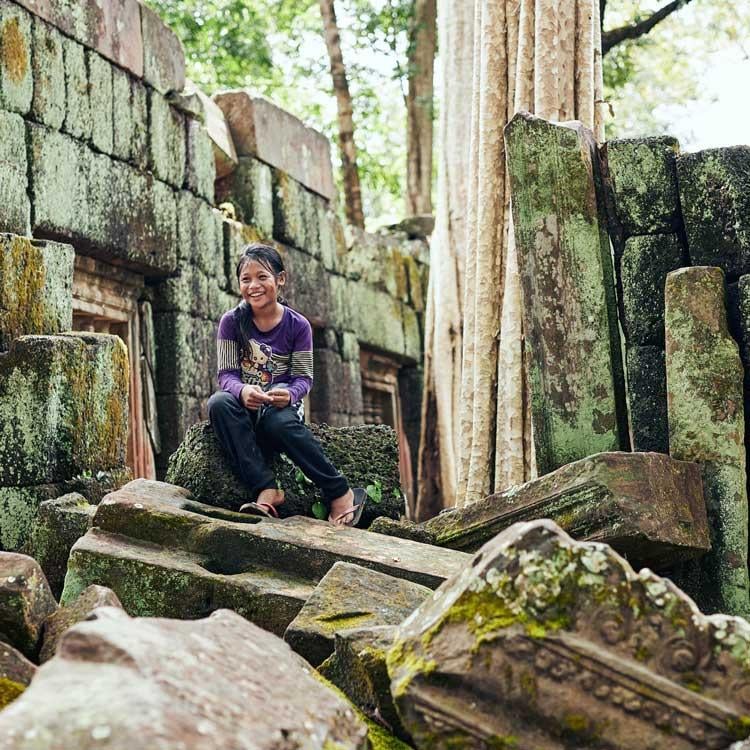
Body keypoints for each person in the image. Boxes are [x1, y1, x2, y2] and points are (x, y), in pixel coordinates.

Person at [207, 243, 367, 526]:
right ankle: (267, 488)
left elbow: (303, 379)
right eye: (246, 279)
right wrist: (242, 391)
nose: (254, 286)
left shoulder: (298, 325)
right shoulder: (231, 322)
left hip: (281, 411)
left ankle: (340, 491)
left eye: (262, 277)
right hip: (244, 409)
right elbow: (226, 375)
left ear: (280, 279)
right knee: (218, 402)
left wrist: (289, 395)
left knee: (277, 423)